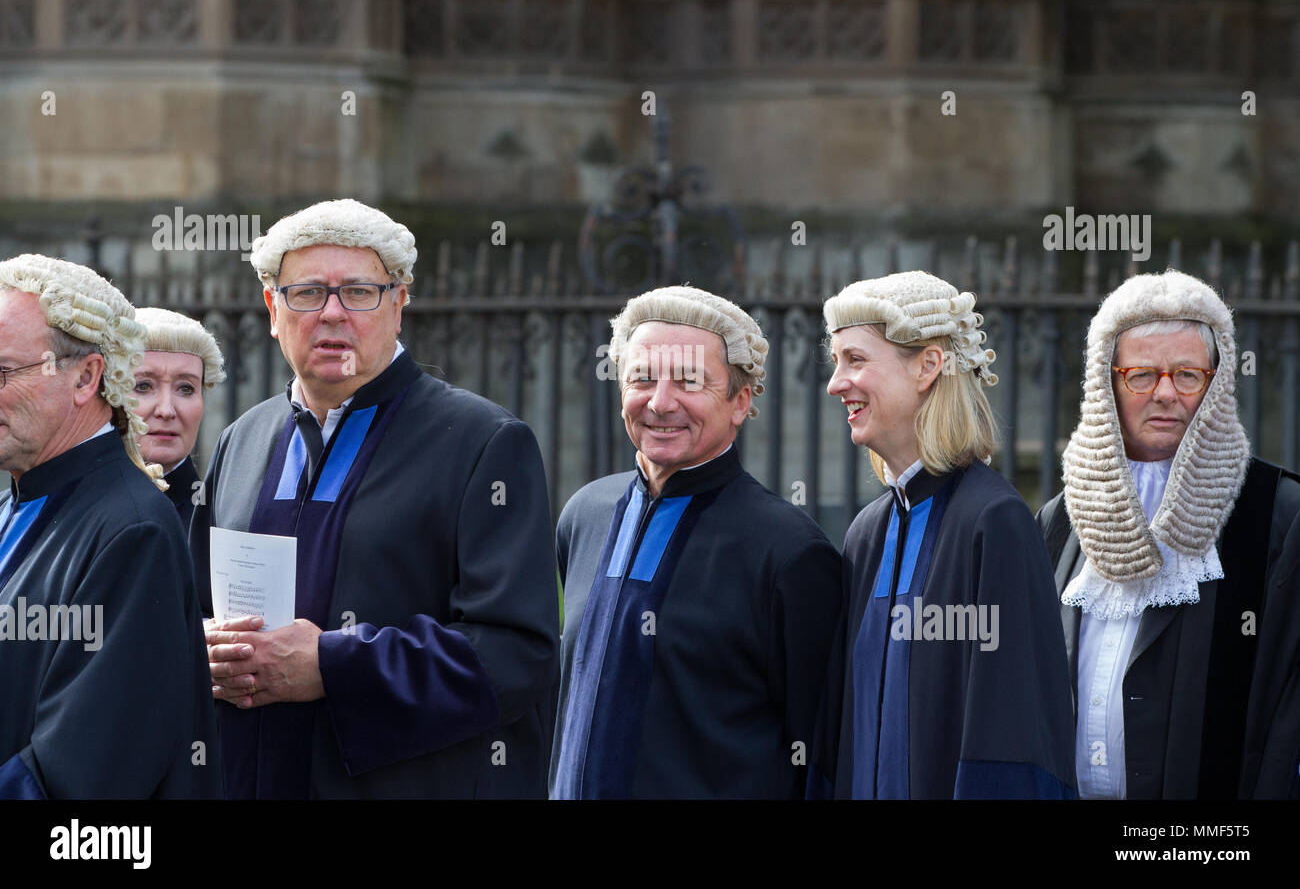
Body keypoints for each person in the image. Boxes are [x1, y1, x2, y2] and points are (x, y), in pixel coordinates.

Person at [192, 198, 559, 798]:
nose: (333, 314)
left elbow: (517, 653)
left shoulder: (483, 442)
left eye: (359, 292)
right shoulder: (244, 439)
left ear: (399, 301)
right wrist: (204, 650)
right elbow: (195, 604)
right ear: (271, 308)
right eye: (307, 293)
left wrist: (334, 667)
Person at [550, 286, 841, 798]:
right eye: (642, 378)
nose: (661, 403)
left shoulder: (790, 552)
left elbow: (822, 755)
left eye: (688, 381)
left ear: (740, 401)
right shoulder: (584, 515)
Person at [809, 271, 1075, 798]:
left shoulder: (994, 522)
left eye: (856, 360)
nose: (836, 383)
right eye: (836, 362)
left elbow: (1014, 737)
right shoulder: (867, 532)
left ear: (928, 365)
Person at [1038, 269, 1300, 799]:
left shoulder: (1278, 514)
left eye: (1187, 375)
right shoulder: (1060, 519)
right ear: (1105, 382)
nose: (1165, 394)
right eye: (1141, 375)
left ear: (1216, 381)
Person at [0, 254, 220, 798]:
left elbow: (82, 775)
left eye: (3, 372)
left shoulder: (134, 530)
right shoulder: (24, 498)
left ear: (86, 377)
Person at [133, 307, 226, 529]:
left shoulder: (226, 522)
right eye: (143, 386)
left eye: (185, 388)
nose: (166, 410)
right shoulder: (68, 509)